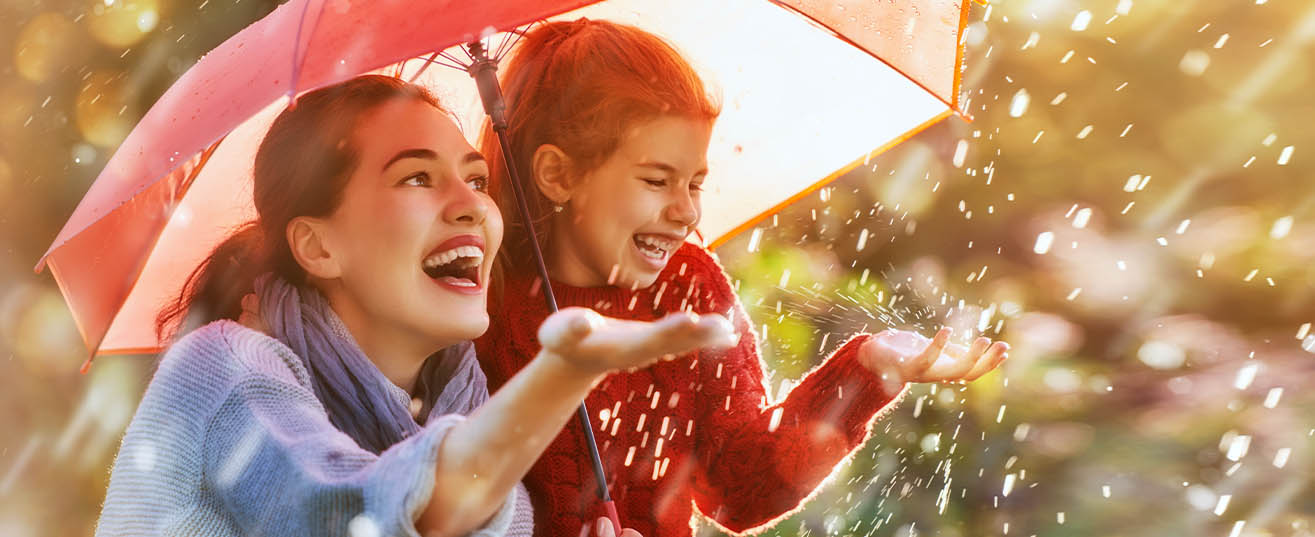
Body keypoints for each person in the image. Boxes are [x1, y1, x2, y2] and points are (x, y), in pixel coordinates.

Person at [95, 74, 734, 537]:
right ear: (317, 246)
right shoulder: (224, 371)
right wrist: (565, 373)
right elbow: (348, 516)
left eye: (477, 179)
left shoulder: (465, 408)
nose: (471, 206)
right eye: (416, 177)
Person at [475, 20, 1010, 537]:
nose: (687, 212)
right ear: (559, 176)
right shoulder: (482, 310)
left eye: (696, 183)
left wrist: (865, 371)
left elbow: (741, 489)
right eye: (657, 180)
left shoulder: (688, 289)